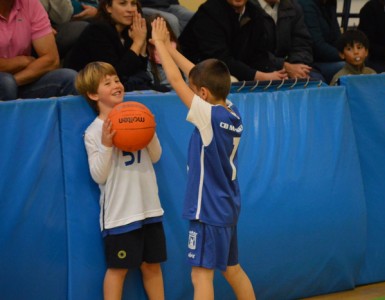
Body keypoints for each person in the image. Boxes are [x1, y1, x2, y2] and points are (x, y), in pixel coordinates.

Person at [151, 17, 256, 300]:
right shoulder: (232, 111)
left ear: (203, 94)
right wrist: (172, 50)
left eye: (195, 89)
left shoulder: (208, 116)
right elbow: (195, 75)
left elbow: (175, 80)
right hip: (227, 205)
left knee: (201, 275)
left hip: (207, 209)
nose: (191, 88)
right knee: (232, 269)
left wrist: (160, 45)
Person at [76, 61, 166, 300]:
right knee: (118, 270)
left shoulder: (140, 117)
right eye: (107, 83)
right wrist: (106, 145)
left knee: (152, 266)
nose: (116, 85)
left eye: (116, 80)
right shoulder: (93, 132)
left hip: (149, 208)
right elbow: (98, 175)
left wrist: (150, 131)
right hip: (120, 214)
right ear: (94, 94)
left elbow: (156, 157)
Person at [65, 0, 167, 92]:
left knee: (164, 90)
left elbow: (140, 70)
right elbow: (115, 75)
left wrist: (142, 44)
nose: (130, 9)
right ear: (108, 8)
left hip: (121, 86)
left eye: (133, 3)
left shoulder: (129, 31)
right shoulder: (97, 30)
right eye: (123, 3)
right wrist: (137, 43)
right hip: (92, 89)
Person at [179, 0, 288, 82]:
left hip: (232, 68)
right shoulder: (209, 13)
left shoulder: (255, 14)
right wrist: (260, 76)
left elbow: (258, 55)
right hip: (198, 69)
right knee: (231, 82)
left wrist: (273, 73)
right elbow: (219, 59)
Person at [0, 0, 77, 101]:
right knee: (5, 83)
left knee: (70, 78)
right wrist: (23, 61)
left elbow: (51, 60)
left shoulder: (30, 3)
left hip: (20, 79)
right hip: (7, 79)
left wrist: (15, 81)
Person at [251, 0, 324, 81]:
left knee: (317, 83)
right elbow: (253, 53)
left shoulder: (292, 7)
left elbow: (302, 43)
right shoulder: (249, 8)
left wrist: (298, 67)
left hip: (292, 64)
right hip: (261, 70)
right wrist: (283, 66)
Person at [297, 0, 344, 83]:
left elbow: (337, 37)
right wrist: (344, 55)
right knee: (348, 67)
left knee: (360, 63)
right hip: (311, 61)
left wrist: (347, 50)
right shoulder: (306, 5)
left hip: (328, 58)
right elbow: (317, 46)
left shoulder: (330, 3)